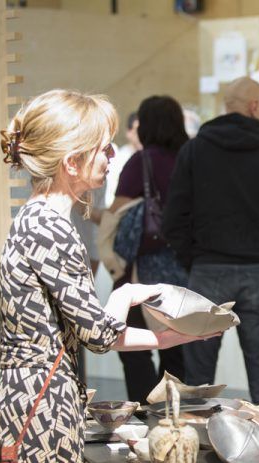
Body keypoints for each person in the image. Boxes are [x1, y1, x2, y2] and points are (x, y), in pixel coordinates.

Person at [0, 89, 215, 463]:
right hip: (42, 406)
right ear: (71, 162)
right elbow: (97, 333)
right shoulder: (50, 228)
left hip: (26, 397)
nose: (112, 155)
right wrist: (164, 336)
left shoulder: (36, 218)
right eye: (103, 147)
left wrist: (130, 297)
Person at [163, 76, 259, 407]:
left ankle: (193, 451)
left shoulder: (194, 151)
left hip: (206, 273)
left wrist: (195, 260)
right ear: (256, 107)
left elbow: (172, 219)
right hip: (258, 273)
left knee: (198, 378)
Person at [108, 95, 189, 403]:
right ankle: (172, 414)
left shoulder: (140, 162)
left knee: (134, 349)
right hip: (182, 267)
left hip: (141, 271)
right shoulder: (189, 158)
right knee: (177, 347)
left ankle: (143, 414)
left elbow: (118, 212)